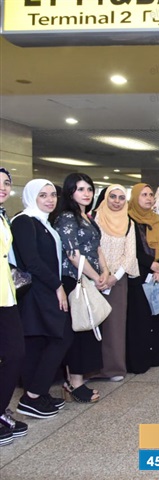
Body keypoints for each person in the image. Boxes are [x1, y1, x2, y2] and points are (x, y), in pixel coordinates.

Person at [11, 180, 71, 418]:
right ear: (31, 197)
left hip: (44, 288)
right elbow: (32, 260)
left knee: (39, 343)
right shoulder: (24, 221)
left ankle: (38, 393)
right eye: (43, 195)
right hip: (37, 290)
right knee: (62, 336)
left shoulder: (43, 222)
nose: (50, 199)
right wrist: (57, 286)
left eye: (53, 195)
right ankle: (32, 395)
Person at [53, 173, 107, 402]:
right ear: (70, 192)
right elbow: (73, 255)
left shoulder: (87, 217)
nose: (86, 194)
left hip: (90, 279)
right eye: (80, 189)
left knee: (89, 330)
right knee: (79, 331)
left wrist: (105, 272)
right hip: (74, 280)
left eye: (89, 189)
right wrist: (95, 276)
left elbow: (97, 248)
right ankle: (74, 383)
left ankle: (77, 379)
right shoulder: (67, 218)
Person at [92, 184, 139, 382]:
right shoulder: (93, 219)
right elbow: (91, 247)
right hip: (93, 277)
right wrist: (100, 275)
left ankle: (113, 369)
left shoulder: (128, 223)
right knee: (91, 324)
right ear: (105, 198)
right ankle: (89, 369)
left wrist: (114, 277)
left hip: (117, 281)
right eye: (113, 196)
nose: (117, 201)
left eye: (121, 198)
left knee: (115, 325)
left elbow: (130, 255)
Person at [126, 183, 159, 374]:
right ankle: (140, 361)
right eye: (143, 194)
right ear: (135, 197)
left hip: (158, 275)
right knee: (140, 319)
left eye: (151, 195)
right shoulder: (128, 219)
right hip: (139, 275)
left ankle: (157, 356)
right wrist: (151, 265)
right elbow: (131, 249)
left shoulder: (158, 219)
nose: (148, 198)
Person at [0, 168, 30, 444]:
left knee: (15, 353)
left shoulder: (2, 216)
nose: (3, 187)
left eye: (7, 183)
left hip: (6, 296)